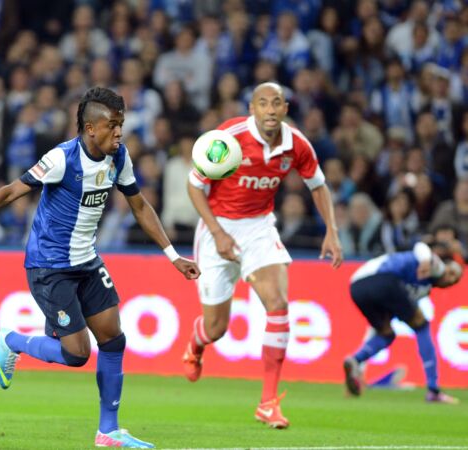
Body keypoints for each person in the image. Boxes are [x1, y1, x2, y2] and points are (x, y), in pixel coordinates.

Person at [0, 87, 200, 448]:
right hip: (49, 266)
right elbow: (11, 192)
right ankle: (11, 340)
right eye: (113, 125)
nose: (119, 133)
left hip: (87, 261)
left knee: (113, 338)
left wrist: (173, 256)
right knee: (77, 354)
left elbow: (140, 207)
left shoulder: (119, 159)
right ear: (91, 128)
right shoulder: (62, 159)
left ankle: (108, 431)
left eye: (121, 124)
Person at [182, 82, 343, 429]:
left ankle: (268, 402)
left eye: (277, 104)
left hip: (257, 228)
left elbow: (318, 185)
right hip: (217, 227)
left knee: (278, 302)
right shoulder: (229, 137)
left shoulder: (296, 144)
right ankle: (196, 344)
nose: (270, 110)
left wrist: (332, 230)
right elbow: (195, 185)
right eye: (263, 103)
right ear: (252, 109)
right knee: (216, 327)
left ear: (285, 109)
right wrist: (218, 232)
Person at [343, 242, 462, 404]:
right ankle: (433, 390)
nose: (451, 279)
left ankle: (355, 361)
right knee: (422, 325)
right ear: (445, 266)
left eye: (455, 280)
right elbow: (421, 246)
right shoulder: (435, 267)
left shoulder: (422, 289)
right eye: (452, 273)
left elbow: (375, 328)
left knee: (386, 333)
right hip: (381, 278)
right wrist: (427, 260)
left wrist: (360, 368)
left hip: (357, 288)